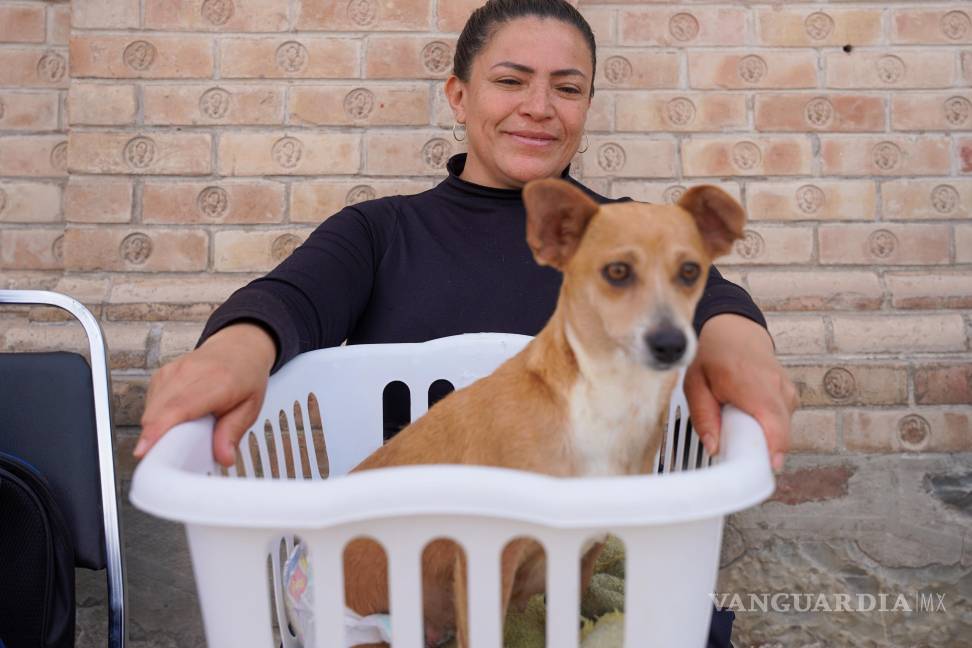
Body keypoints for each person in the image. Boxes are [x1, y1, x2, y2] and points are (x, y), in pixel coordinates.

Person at [136, 0, 797, 643]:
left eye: (567, 88)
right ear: (458, 96)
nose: (539, 107)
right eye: (510, 81)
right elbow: (290, 299)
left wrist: (740, 345)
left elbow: (713, 301)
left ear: (588, 106)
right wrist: (237, 352)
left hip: (550, 558)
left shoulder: (626, 230)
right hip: (392, 565)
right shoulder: (381, 230)